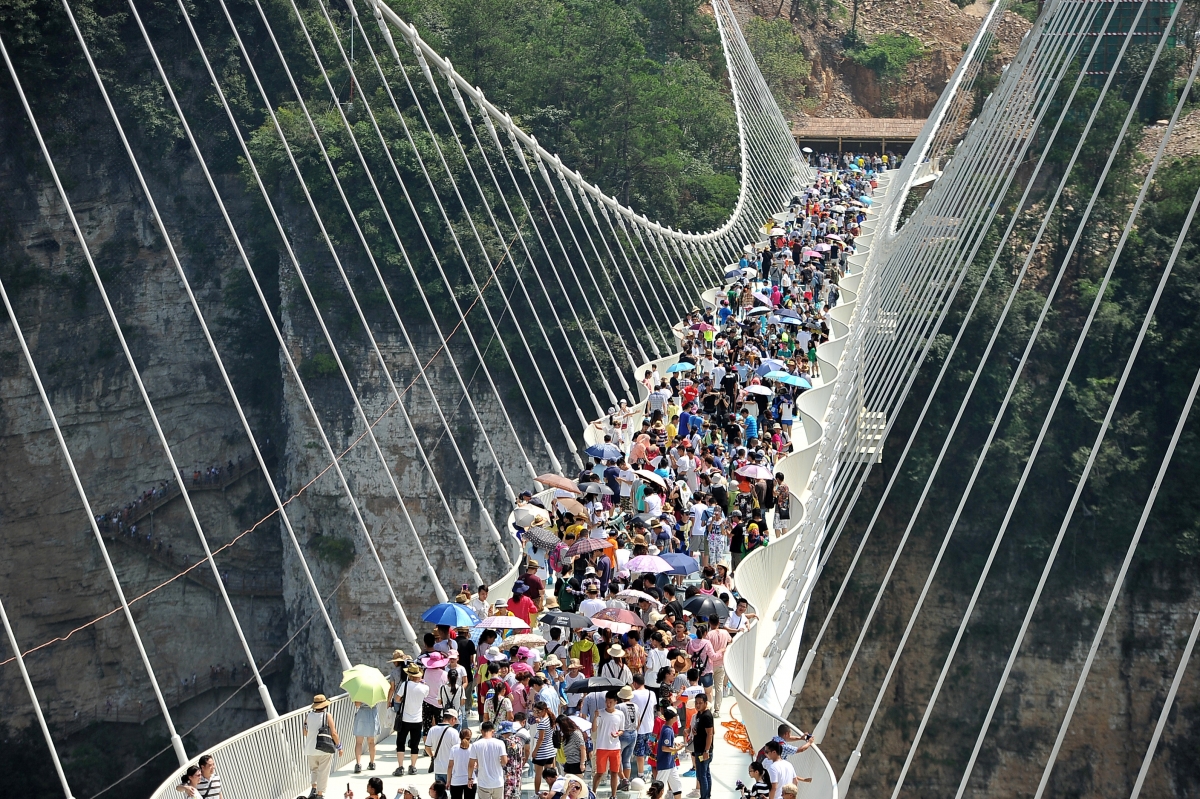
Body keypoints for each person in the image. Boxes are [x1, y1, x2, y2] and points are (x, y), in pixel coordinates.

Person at [302, 694, 341, 799]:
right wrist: (339, 747)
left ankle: (313, 789)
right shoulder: (327, 716)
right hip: (324, 749)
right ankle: (319, 795)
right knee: (323, 771)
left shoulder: (308, 716)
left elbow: (305, 733)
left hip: (310, 748)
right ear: (325, 705)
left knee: (314, 769)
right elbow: (334, 733)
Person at [395, 664, 430, 776]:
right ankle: (413, 767)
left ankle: (400, 767)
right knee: (415, 744)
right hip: (417, 719)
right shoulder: (425, 687)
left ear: (409, 675)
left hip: (405, 719)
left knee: (400, 743)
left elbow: (397, 699)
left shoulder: (405, 685)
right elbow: (425, 696)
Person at [592, 691, 626, 799]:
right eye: (607, 701)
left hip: (615, 747)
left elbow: (622, 730)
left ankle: (614, 795)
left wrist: (617, 734)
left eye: (610, 701)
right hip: (602, 746)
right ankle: (593, 792)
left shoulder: (620, 714)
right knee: (600, 772)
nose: (608, 704)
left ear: (615, 702)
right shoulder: (600, 712)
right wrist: (595, 717)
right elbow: (594, 729)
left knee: (614, 772)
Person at [468, 722, 509, 799]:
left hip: (483, 783)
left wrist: (470, 778)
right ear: (493, 731)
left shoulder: (475, 745)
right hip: (498, 782)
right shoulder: (500, 743)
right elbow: (504, 762)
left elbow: (471, 765)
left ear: (481, 731)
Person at [426, 708, 462, 783]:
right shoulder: (453, 732)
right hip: (451, 769)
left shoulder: (432, 729)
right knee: (451, 793)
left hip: (438, 769)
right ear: (453, 719)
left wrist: (432, 756)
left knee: (440, 793)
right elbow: (458, 750)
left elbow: (427, 747)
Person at [655, 708, 683, 799]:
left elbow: (666, 743)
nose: (677, 718)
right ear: (672, 718)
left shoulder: (666, 727)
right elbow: (664, 748)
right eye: (675, 716)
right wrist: (677, 749)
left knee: (677, 785)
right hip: (665, 763)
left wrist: (674, 744)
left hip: (670, 763)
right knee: (658, 787)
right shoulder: (668, 730)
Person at [691, 695, 714, 799]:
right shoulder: (700, 715)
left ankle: (704, 797)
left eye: (700, 703)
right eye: (696, 703)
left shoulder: (706, 716)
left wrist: (706, 751)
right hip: (700, 749)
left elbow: (710, 734)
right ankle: (707, 796)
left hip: (702, 751)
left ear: (705, 703)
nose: (698, 705)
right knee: (706, 774)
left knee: (701, 776)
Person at [447, 726, 477, 799]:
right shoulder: (473, 747)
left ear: (459, 737)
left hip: (456, 781)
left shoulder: (454, 748)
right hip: (471, 780)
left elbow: (450, 766)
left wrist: (448, 781)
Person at [352, 699, 381, 773]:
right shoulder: (375, 690)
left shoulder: (361, 690)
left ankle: (358, 764)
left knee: (359, 742)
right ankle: (372, 763)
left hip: (362, 714)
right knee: (371, 742)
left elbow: (357, 704)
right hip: (372, 714)